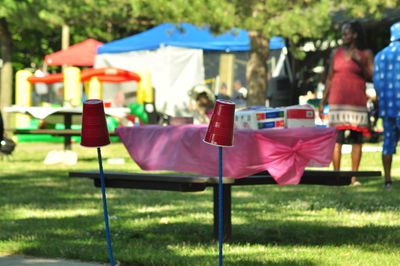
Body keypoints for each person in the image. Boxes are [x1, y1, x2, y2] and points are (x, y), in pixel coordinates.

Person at [318, 21, 374, 186]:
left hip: (357, 102)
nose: (344, 37)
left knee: (357, 140)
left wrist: (361, 62)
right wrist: (322, 101)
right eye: (342, 33)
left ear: (355, 34)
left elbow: (372, 75)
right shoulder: (335, 53)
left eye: (346, 33)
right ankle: (337, 177)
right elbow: (329, 78)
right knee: (337, 139)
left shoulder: (365, 53)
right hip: (337, 102)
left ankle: (353, 178)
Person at [373, 21, 400, 189]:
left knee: (388, 144)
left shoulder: (380, 56)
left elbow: (376, 83)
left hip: (388, 106)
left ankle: (387, 180)